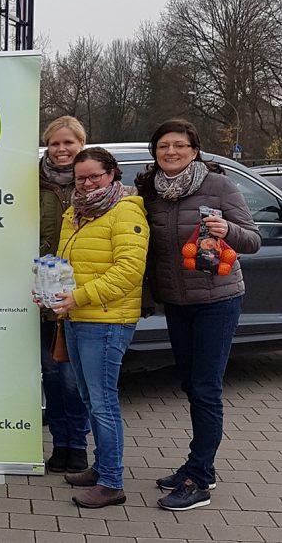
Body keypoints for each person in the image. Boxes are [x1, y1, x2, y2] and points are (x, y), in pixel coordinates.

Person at [134, 119, 260, 511]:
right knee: (190, 384)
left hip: (217, 300)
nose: (170, 152)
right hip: (176, 301)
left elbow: (252, 239)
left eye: (179, 146)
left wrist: (227, 230)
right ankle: (197, 462)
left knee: (205, 388)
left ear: (194, 149)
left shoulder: (218, 185)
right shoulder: (149, 192)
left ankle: (199, 478)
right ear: (154, 152)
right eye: (163, 146)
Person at [48, 147, 149, 509]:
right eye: (81, 177)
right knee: (91, 400)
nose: (88, 183)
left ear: (112, 174)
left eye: (95, 176)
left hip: (106, 321)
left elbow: (128, 272)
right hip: (77, 317)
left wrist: (79, 297)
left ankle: (112, 482)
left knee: (103, 403)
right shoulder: (75, 212)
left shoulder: (125, 211)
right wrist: (49, 288)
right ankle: (101, 466)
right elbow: (66, 264)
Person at [38, 116, 90, 474]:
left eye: (69, 142)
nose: (62, 149)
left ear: (81, 145)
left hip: (81, 296)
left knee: (74, 378)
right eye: (55, 143)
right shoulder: (30, 183)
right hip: (43, 294)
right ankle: (59, 444)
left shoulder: (96, 183)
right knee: (51, 374)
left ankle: (78, 445)